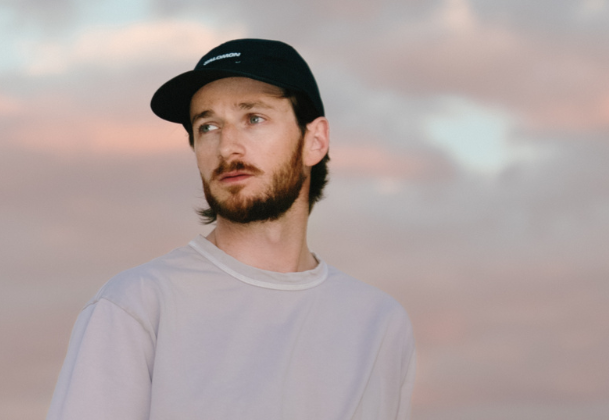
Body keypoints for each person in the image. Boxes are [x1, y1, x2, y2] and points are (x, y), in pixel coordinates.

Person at [47, 38, 415, 420]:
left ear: (315, 140)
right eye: (207, 126)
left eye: (254, 118)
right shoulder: (136, 305)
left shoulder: (378, 323)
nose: (227, 148)